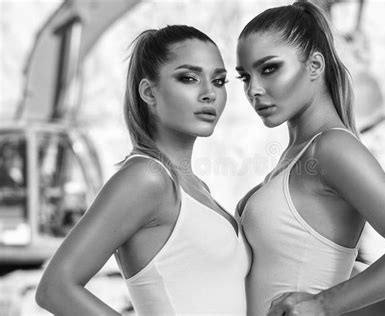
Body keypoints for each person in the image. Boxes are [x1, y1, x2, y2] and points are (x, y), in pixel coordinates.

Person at [235, 1, 385, 315]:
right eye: (244, 77)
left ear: (315, 65)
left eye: (269, 69)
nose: (254, 89)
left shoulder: (332, 148)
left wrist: (322, 304)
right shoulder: (299, 155)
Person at [36, 25, 249, 316]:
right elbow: (55, 288)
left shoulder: (193, 186)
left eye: (219, 81)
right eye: (189, 78)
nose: (209, 93)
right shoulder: (147, 178)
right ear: (149, 92)